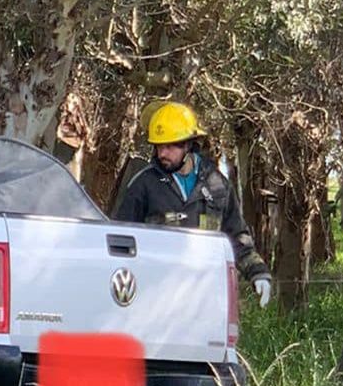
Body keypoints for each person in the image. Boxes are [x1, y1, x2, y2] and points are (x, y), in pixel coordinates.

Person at [114, 101, 272, 308]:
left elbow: (236, 237)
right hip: (154, 300)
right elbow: (120, 239)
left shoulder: (218, 185)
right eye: (159, 146)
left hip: (206, 299)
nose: (162, 153)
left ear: (188, 145)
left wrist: (258, 273)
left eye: (169, 146)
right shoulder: (143, 184)